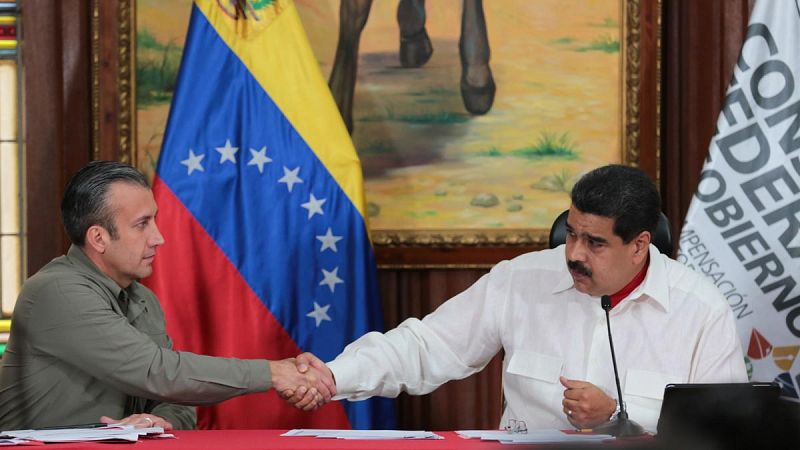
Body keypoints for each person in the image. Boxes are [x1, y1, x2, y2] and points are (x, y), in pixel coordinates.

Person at [290, 164, 748, 432]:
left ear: (640, 245)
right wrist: (334, 374)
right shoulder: (521, 280)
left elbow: (726, 430)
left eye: (595, 243)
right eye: (572, 233)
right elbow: (426, 347)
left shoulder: (700, 310)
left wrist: (619, 415)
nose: (574, 254)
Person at [0, 161, 331, 430]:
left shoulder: (142, 299)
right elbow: (157, 372)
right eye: (142, 224)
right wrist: (273, 373)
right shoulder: (57, 291)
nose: (158, 238)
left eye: (154, 220)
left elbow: (177, 399)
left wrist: (157, 421)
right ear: (99, 238)